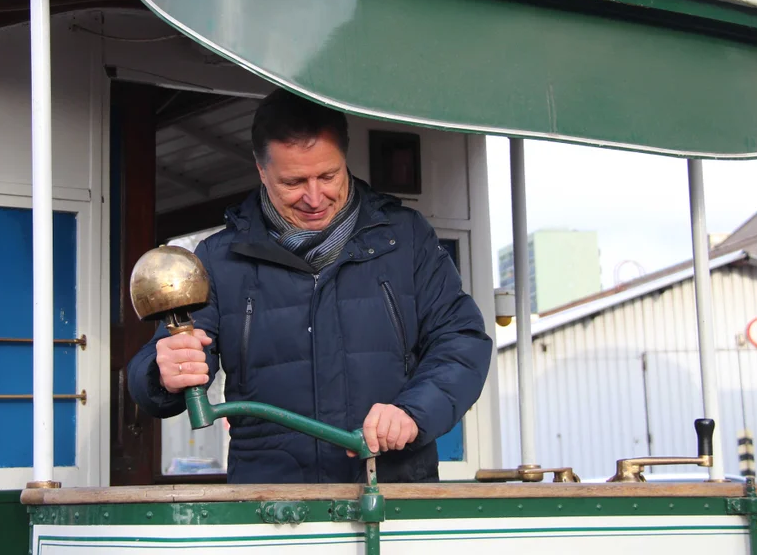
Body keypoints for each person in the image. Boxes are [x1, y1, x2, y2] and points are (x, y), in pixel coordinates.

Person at [128, 89, 492, 484]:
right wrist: (162, 373)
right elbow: (160, 364)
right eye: (294, 181)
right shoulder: (218, 259)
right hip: (270, 504)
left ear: (345, 160)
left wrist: (413, 413)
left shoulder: (407, 238)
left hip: (393, 492)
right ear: (261, 170)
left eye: (329, 175)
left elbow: (462, 340)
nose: (315, 197)